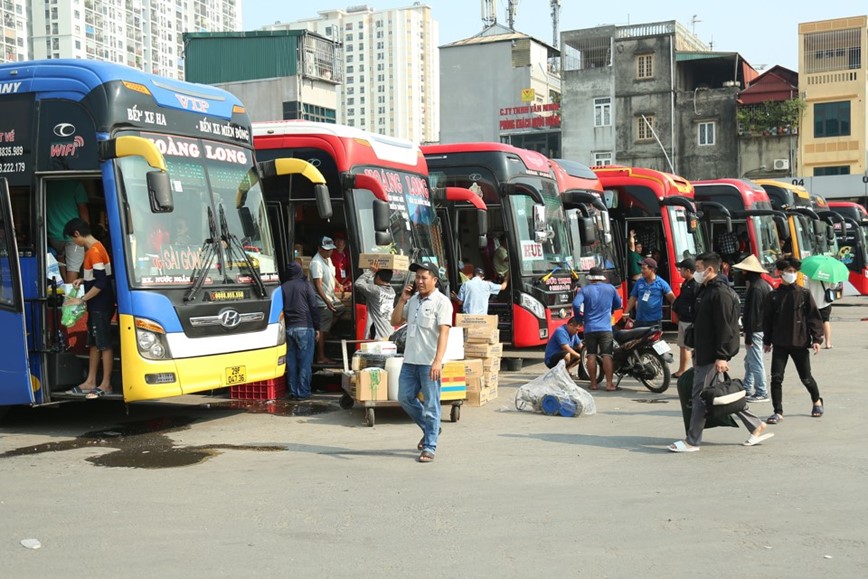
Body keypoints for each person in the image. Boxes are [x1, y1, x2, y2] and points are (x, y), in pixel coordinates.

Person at [669, 252, 773, 452]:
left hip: (712, 354)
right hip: (703, 350)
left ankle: (692, 441)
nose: (696, 272)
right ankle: (755, 424)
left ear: (709, 269)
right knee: (720, 394)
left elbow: (726, 327)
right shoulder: (705, 290)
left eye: (698, 268)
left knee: (700, 396)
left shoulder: (720, 294)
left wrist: (722, 356)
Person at [391, 262, 453, 463]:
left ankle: (430, 446)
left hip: (429, 363)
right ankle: (431, 429)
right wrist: (402, 300)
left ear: (434, 279)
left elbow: (444, 333)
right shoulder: (413, 301)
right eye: (417, 277)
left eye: (423, 277)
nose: (419, 281)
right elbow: (395, 321)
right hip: (410, 361)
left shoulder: (442, 302)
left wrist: (437, 361)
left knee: (431, 405)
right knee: (405, 398)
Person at [762, 257, 825, 424]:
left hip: (800, 342)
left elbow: (814, 318)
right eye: (788, 271)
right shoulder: (773, 296)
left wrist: (817, 339)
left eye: (793, 271)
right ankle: (777, 411)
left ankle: (817, 400)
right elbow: (767, 320)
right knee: (776, 378)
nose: (791, 274)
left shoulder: (804, 294)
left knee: (806, 377)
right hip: (780, 344)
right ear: (779, 273)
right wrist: (767, 341)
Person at [63, 218, 115, 399]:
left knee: (104, 344)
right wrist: (84, 280)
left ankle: (106, 383)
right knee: (94, 343)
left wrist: (81, 300)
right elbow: (102, 276)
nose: (74, 243)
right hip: (100, 304)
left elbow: (101, 283)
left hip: (100, 305)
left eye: (72, 240)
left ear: (77, 234)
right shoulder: (99, 247)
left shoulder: (93, 252)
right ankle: (91, 381)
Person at [572, 266, 622, 391]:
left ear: (590, 278)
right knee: (607, 355)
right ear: (602, 278)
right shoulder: (610, 288)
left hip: (590, 328)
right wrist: (610, 309)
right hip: (606, 328)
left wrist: (579, 318)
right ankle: (609, 384)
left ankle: (593, 383)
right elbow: (618, 304)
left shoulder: (584, 290)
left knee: (591, 355)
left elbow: (576, 304)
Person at [733, 254, 772, 402]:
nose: (741, 274)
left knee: (755, 362)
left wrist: (748, 335)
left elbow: (753, 315)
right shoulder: (763, 285)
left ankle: (761, 391)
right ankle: (748, 387)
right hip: (760, 329)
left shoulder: (755, 288)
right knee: (749, 360)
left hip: (755, 330)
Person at [281, 261, 320, 400]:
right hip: (305, 327)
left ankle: (293, 391)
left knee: (291, 362)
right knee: (304, 361)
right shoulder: (305, 285)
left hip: (289, 329)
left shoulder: (283, 287)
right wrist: (317, 327)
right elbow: (314, 306)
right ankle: (303, 391)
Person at [47, 181, 89, 283]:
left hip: (53, 234)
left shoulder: (48, 183)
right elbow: (83, 209)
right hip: (73, 235)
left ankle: (64, 285)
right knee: (73, 268)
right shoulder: (75, 183)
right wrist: (87, 232)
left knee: (60, 257)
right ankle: (69, 293)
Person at [309, 236, 341, 365]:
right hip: (321, 301)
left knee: (341, 310)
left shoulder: (328, 259)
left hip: (331, 297)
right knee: (323, 326)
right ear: (319, 248)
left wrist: (338, 284)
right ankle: (321, 356)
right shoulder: (316, 262)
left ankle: (325, 333)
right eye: (326, 250)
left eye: (331, 250)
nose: (329, 252)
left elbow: (332, 275)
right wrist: (327, 301)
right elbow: (318, 285)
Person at [624, 257, 675, 327]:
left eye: (644, 268)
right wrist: (626, 312)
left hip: (654, 321)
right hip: (640, 320)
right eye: (641, 268)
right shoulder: (639, 282)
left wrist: (676, 315)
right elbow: (633, 298)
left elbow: (673, 299)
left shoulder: (661, 283)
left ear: (652, 270)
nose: (641, 271)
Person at [354, 263, 396, 340]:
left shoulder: (375, 291)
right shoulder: (392, 291)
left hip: (379, 336)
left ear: (378, 277)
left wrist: (371, 271)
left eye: (374, 276)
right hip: (390, 332)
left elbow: (358, 283)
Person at [671, 258, 697, 379]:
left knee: (690, 347)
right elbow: (680, 299)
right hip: (683, 319)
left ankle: (696, 371)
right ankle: (682, 370)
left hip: (690, 321)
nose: (679, 271)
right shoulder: (686, 283)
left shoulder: (696, 285)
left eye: (681, 269)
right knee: (682, 346)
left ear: (688, 270)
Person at [804, 277, 835, 349]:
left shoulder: (811, 276)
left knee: (811, 322)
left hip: (813, 302)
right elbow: (833, 286)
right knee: (826, 321)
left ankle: (813, 342)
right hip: (825, 302)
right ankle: (828, 343)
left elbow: (806, 288)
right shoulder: (827, 275)